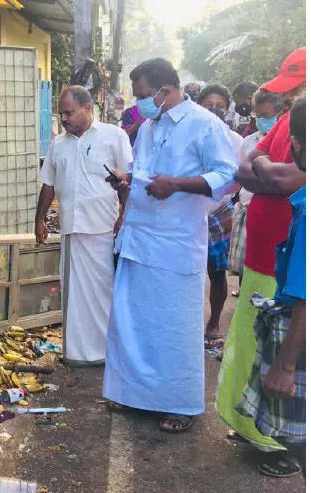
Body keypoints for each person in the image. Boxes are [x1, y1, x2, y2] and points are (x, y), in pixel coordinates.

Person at [102, 58, 237, 433]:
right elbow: (146, 175)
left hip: (176, 244)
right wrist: (127, 181)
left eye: (144, 95)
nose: (140, 102)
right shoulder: (148, 127)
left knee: (174, 328)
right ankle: (136, 395)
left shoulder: (204, 124)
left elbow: (227, 175)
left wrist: (177, 184)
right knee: (136, 323)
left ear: (165, 90)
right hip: (140, 238)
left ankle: (180, 404)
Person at [216, 47, 306, 454]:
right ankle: (254, 426)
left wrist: (267, 172)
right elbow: (244, 170)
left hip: (291, 267)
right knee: (253, 346)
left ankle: (281, 446)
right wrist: (276, 174)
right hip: (264, 256)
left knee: (288, 357)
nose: (288, 100)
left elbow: (284, 177)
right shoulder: (289, 121)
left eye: (296, 90)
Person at [35, 86, 132, 367]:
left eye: (69, 112)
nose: (64, 118)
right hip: (71, 230)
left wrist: (124, 214)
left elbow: (128, 180)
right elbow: (49, 184)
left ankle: (103, 353)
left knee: (102, 294)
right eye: (61, 113)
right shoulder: (58, 144)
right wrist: (39, 219)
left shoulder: (114, 137)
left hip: (102, 229)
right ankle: (75, 354)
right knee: (73, 296)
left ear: (88, 108)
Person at [238, 96, 305, 477]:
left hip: (297, 332)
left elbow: (305, 299)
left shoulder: (306, 209)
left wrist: (286, 364)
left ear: (294, 143)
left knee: (299, 429)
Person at [196, 83, 245, 349]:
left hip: (220, 211)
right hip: (190, 211)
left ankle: (213, 322)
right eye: (208, 105)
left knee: (217, 272)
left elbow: (238, 178)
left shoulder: (235, 140)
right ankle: (188, 323)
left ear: (228, 110)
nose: (214, 110)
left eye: (220, 106)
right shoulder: (192, 134)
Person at [228, 89, 284, 295]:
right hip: (248, 207)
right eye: (258, 116)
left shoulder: (289, 142)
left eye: (268, 116)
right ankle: (245, 294)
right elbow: (242, 174)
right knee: (247, 263)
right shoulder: (249, 142)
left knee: (271, 266)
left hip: (274, 212)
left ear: (280, 114)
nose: (262, 120)